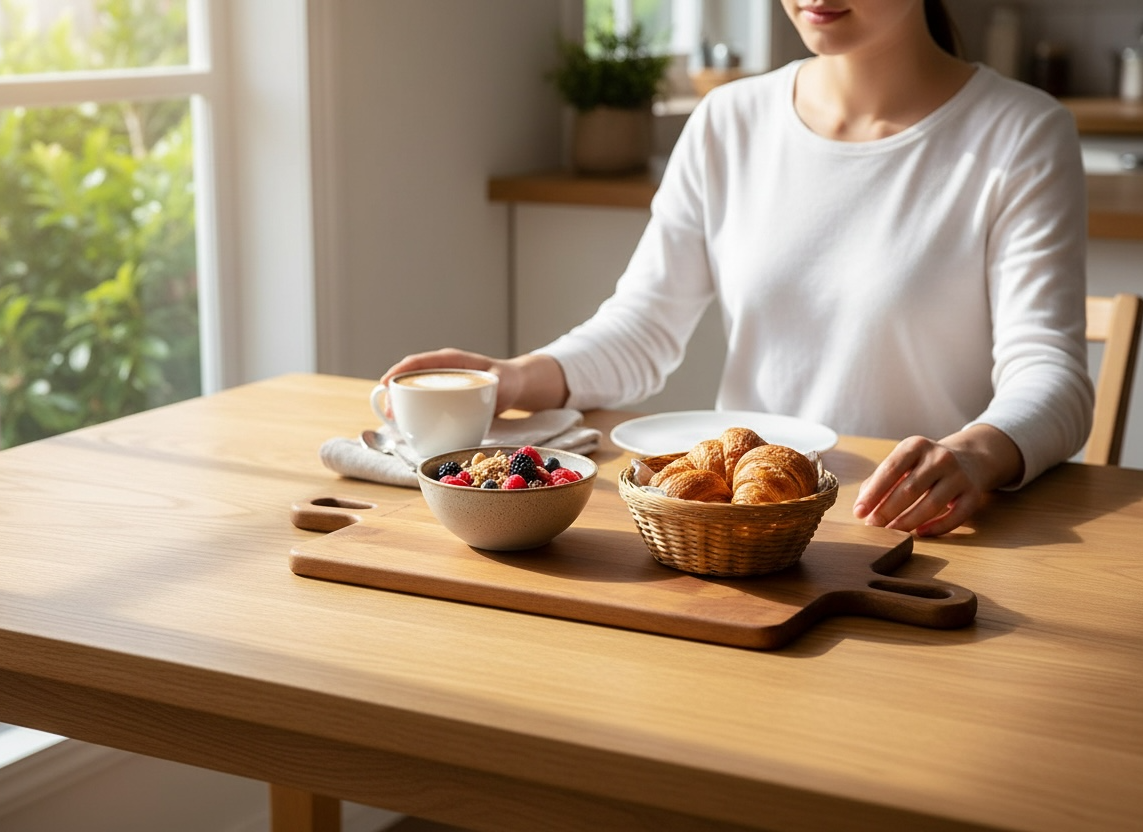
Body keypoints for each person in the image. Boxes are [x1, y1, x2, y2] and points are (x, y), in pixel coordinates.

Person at [382, 0, 1093, 537]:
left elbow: (1051, 376)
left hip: (912, 533)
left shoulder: (1022, 134)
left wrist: (978, 452)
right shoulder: (729, 121)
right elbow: (644, 326)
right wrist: (514, 377)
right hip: (741, 535)